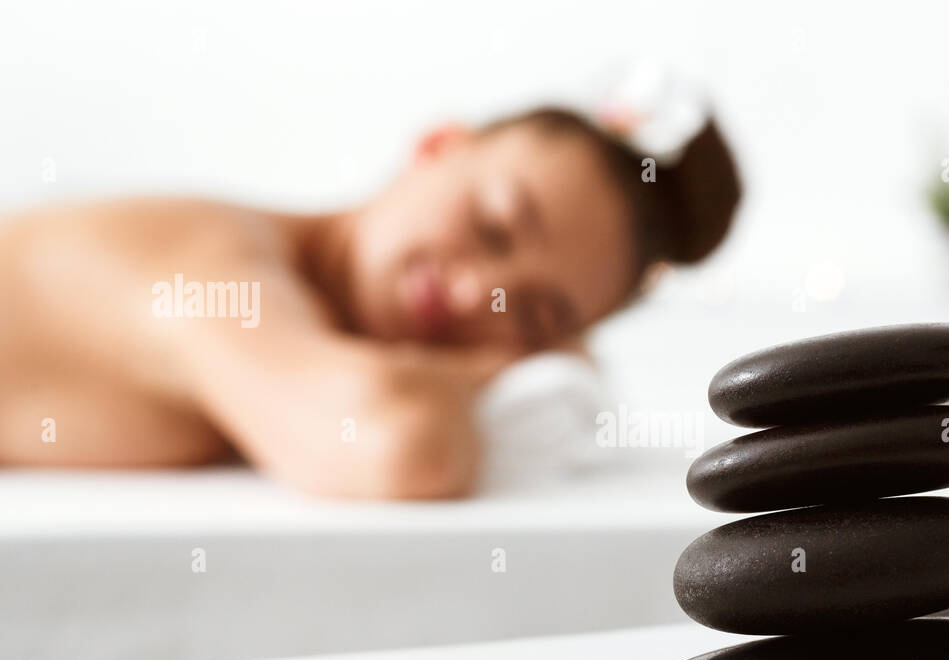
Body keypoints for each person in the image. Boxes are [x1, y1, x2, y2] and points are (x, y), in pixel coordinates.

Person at [0, 106, 741, 497]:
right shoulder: (211, 256)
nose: (474, 296)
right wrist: (489, 369)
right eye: (492, 228)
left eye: (530, 316)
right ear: (438, 145)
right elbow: (400, 444)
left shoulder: (299, 317)